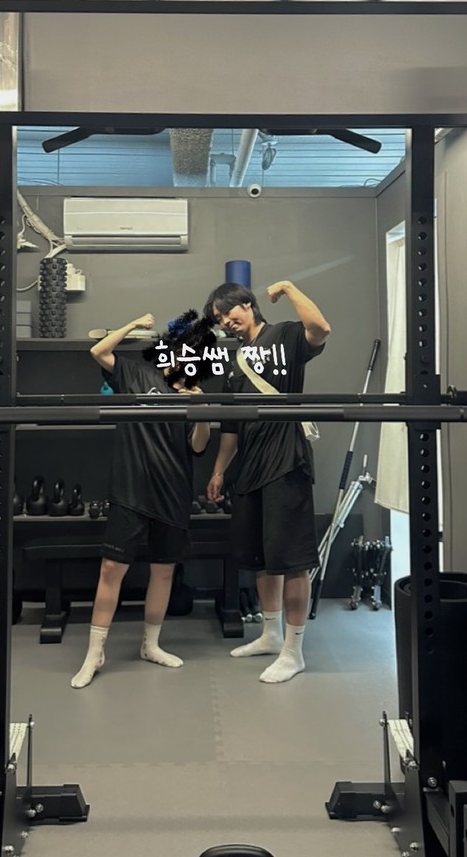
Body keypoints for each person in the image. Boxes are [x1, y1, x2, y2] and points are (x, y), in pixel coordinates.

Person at [71, 310, 215, 688]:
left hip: (173, 491)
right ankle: (94, 654)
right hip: (131, 488)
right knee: (110, 569)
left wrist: (202, 411)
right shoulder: (135, 373)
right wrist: (133, 324)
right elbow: (98, 351)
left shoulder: (193, 392)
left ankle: (151, 645)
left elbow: (199, 446)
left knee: (163, 571)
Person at [204, 280, 330, 684]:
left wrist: (290, 289)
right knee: (261, 557)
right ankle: (271, 635)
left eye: (228, 312)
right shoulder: (234, 362)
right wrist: (219, 471)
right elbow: (230, 428)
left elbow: (321, 328)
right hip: (250, 468)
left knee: (292, 561)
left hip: (285, 462)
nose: (226, 322)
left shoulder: (285, 336)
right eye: (219, 319)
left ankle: (294, 652)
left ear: (247, 304)